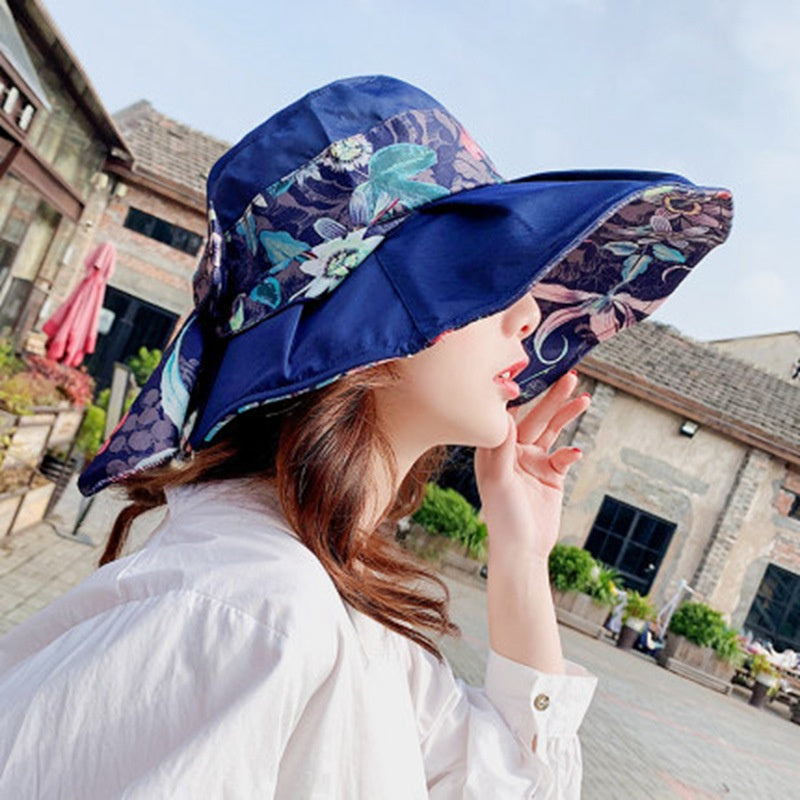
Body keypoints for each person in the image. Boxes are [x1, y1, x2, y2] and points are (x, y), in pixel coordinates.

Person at [0, 76, 732, 798]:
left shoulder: (327, 597)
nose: (527, 319)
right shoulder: (257, 609)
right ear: (365, 320)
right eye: (485, 282)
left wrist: (522, 554)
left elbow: (512, 780)